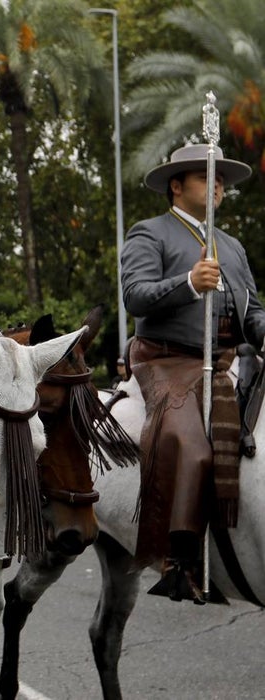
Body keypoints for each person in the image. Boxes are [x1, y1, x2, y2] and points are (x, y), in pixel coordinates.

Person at [121, 143, 263, 605]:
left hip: (226, 358)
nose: (217, 184)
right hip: (164, 358)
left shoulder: (234, 247)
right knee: (191, 443)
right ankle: (178, 560)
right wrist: (187, 284)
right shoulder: (150, 233)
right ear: (177, 187)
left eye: (220, 179)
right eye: (206, 177)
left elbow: (253, 312)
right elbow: (136, 297)